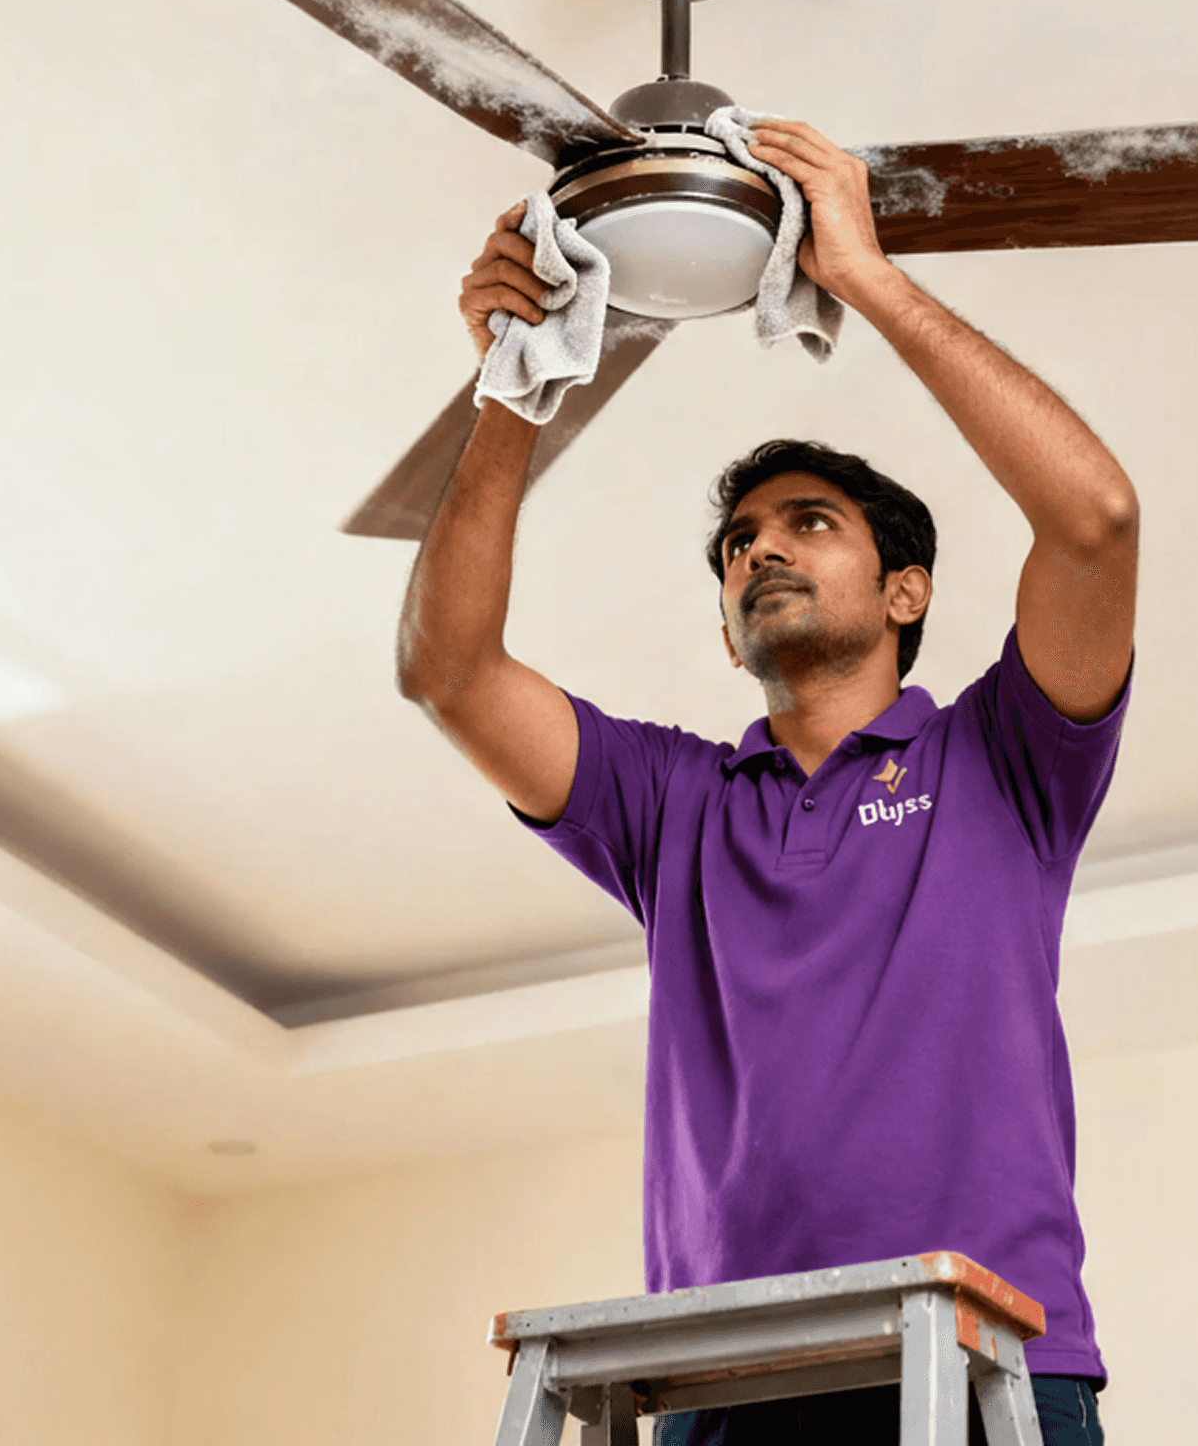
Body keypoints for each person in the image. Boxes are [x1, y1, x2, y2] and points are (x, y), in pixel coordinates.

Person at [397, 120, 1139, 1446]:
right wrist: (511, 389)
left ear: (906, 591)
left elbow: (1096, 521)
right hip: (724, 1378)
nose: (761, 553)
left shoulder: (1000, 763)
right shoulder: (674, 805)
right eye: (739, 543)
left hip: (980, 1362)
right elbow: (449, 670)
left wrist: (865, 275)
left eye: (811, 524)